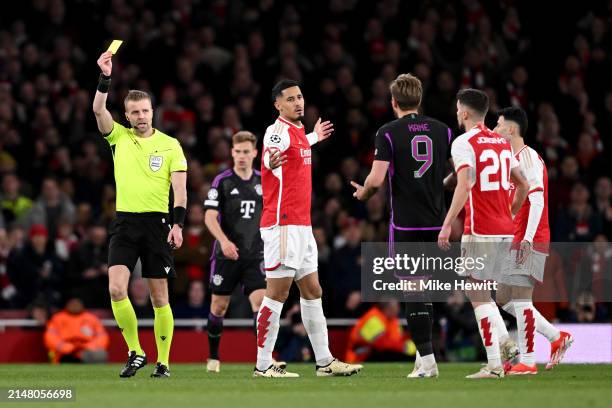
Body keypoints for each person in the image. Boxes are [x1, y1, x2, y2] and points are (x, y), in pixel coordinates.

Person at [254, 79, 361, 377]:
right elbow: (271, 155)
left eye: (300, 97)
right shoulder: (275, 132)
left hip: (302, 226)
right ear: (278, 104)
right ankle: (263, 365)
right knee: (276, 293)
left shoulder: (298, 131)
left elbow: (297, 148)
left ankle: (325, 362)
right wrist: (270, 160)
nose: (298, 102)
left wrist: (313, 136)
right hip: (282, 224)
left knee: (313, 290)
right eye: (290, 99)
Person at [92, 51, 188, 378]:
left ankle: (163, 361)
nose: (141, 116)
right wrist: (105, 78)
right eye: (134, 112)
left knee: (159, 296)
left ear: (153, 111)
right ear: (128, 116)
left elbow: (181, 189)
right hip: (125, 222)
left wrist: (178, 224)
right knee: (116, 288)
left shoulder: (171, 145)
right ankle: (135, 351)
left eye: (145, 110)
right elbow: (97, 110)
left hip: (157, 223)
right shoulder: (119, 137)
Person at [352, 73, 453, 378]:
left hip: (407, 224)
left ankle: (428, 361)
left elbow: (376, 179)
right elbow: (460, 174)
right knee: (426, 291)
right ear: (419, 100)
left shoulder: (387, 133)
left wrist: (363, 193)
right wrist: (440, 185)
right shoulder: (444, 131)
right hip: (438, 222)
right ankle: (424, 358)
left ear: (393, 101)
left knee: (413, 290)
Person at [438, 89, 529, 379]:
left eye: (456, 109)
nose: (456, 114)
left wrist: (446, 223)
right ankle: (505, 347)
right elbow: (523, 185)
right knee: (483, 293)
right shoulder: (502, 143)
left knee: (476, 293)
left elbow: (464, 186)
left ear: (464, 113)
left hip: (480, 229)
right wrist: (509, 213)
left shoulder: (463, 143)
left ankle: (494, 364)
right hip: (504, 228)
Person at [494, 106, 573, 374]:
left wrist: (527, 239)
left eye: (498, 124)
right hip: (515, 237)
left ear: (511, 129)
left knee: (522, 298)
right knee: (504, 297)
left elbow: (537, 200)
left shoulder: (529, 159)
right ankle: (556, 337)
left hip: (531, 237)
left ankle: (528, 361)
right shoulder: (509, 160)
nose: (495, 130)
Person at [203, 131, 281, 373]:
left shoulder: (264, 180)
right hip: (226, 255)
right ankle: (213, 358)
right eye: (237, 152)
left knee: (260, 304)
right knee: (218, 307)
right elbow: (208, 216)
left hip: (255, 255)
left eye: (246, 152)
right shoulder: (222, 181)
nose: (241, 156)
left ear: (255, 153)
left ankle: (266, 360)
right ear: (232, 153)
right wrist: (224, 242)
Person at [44, 296, 109, 364]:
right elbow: (50, 337)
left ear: (82, 305)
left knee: (100, 355)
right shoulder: (57, 318)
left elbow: (102, 336)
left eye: (77, 304)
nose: (75, 306)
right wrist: (67, 347)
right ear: (67, 305)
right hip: (64, 352)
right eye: (72, 304)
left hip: (86, 350)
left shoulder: (91, 318)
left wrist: (90, 346)